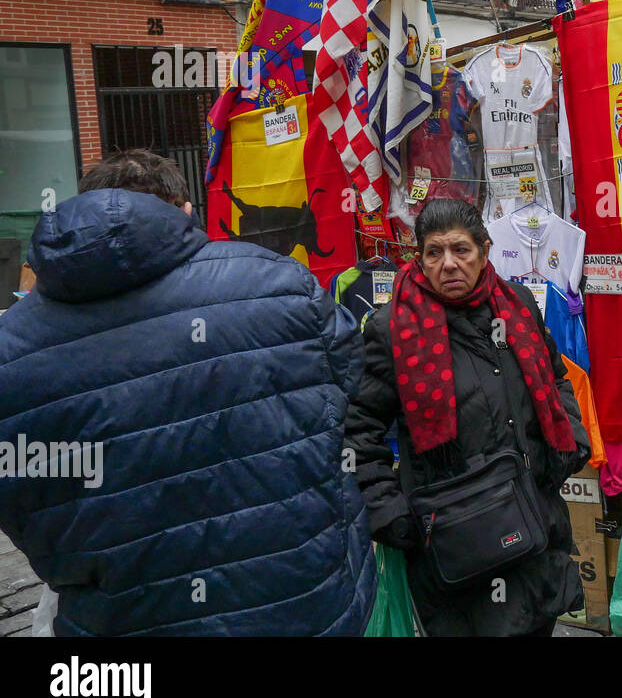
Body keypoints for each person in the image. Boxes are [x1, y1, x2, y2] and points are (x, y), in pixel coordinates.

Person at [0, 150, 376, 635]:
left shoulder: (12, 349)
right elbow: (346, 380)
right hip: (305, 604)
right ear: (184, 210)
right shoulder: (281, 283)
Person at [345, 197, 590, 636]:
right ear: (419, 259)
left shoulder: (515, 305)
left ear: (485, 250)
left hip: (535, 525)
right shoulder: (392, 330)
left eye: (461, 249)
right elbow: (359, 432)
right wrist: (389, 513)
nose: (449, 264)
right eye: (434, 252)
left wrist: (570, 438)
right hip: (457, 544)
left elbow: (555, 377)